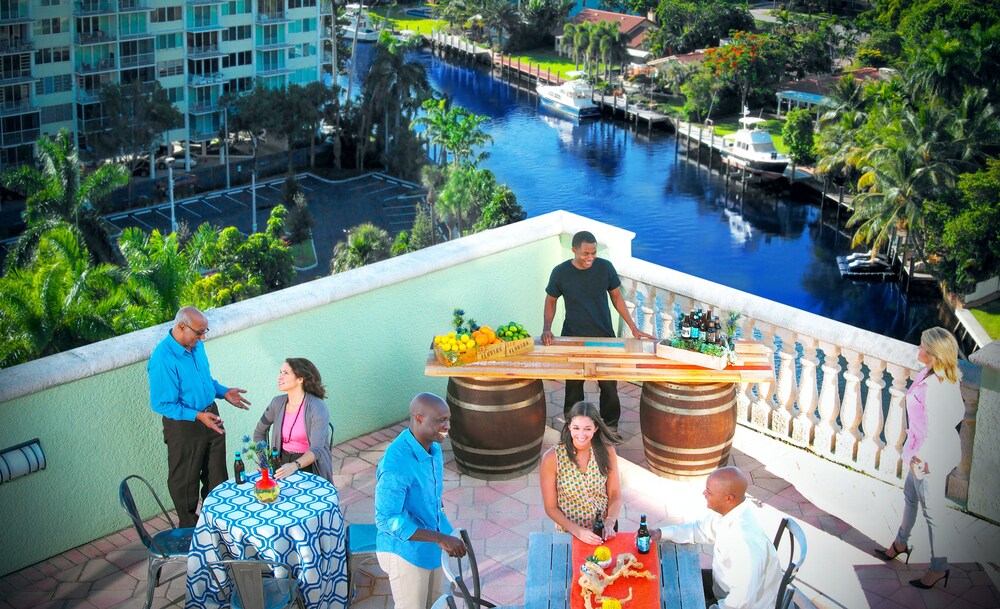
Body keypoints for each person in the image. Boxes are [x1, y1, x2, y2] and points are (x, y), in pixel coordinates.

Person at [874, 327, 964, 589]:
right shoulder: (936, 374)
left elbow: (939, 428)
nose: (918, 349)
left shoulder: (936, 385)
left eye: (923, 346)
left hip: (929, 458)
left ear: (934, 354)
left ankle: (939, 568)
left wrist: (920, 458)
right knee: (910, 497)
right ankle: (901, 543)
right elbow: (956, 414)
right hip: (922, 452)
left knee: (933, 513)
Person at [148, 306, 251, 528]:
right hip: (184, 424)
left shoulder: (197, 346)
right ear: (181, 326)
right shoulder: (162, 358)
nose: (203, 337)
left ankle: (218, 524)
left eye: (205, 331)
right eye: (199, 332)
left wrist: (223, 392)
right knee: (186, 480)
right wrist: (197, 415)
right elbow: (161, 403)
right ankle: (190, 528)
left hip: (211, 414)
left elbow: (205, 381)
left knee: (217, 474)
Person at [541, 230, 654, 430]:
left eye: (594, 253)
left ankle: (610, 428)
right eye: (585, 253)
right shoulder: (560, 272)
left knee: (609, 386)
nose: (590, 258)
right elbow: (551, 301)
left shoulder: (605, 268)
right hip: (572, 337)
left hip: (604, 337)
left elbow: (617, 299)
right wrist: (547, 328)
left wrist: (634, 328)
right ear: (574, 250)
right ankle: (573, 428)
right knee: (574, 386)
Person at [374, 393, 467, 609]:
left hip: (431, 544)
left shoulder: (433, 447)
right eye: (441, 421)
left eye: (448, 419)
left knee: (436, 603)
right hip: (405, 552)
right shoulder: (396, 464)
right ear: (418, 418)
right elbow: (387, 519)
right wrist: (440, 538)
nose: (447, 426)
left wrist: (440, 533)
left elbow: (431, 493)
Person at [650, 467, 781, 609]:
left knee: (673, 596)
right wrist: (661, 532)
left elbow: (742, 600)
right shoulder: (731, 509)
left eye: (709, 492)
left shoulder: (745, 542)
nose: (704, 493)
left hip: (739, 603)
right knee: (671, 580)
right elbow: (698, 530)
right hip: (722, 584)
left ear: (729, 498)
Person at [540, 401, 622, 544]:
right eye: (576, 428)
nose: (581, 434)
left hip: (604, 531)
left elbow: (615, 494)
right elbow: (550, 508)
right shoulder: (552, 458)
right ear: (569, 426)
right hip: (569, 533)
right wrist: (578, 531)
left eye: (587, 429)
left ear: (596, 428)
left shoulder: (607, 452)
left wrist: (609, 522)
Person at [253, 358, 334, 484]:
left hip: (309, 463)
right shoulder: (277, 403)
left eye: (285, 373)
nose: (280, 377)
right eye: (280, 372)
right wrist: (264, 460)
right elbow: (259, 432)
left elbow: (317, 449)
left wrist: (294, 465)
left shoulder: (317, 407)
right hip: (280, 460)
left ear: (300, 379)